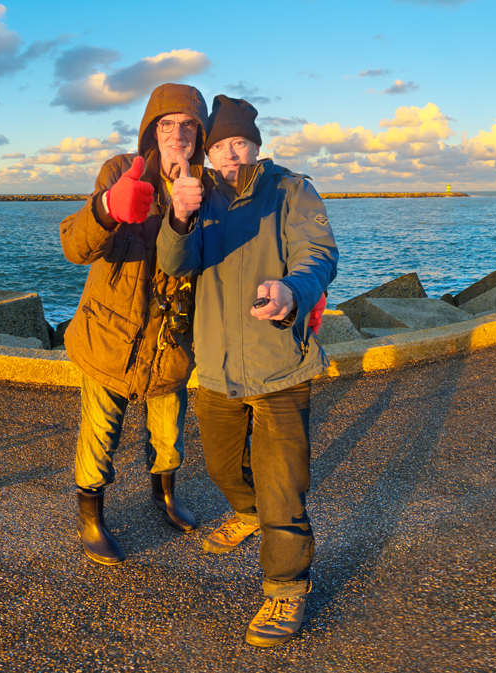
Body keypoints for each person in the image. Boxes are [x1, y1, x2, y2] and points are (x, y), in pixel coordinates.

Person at [157, 95, 338, 646]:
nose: (232, 155)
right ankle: (246, 509)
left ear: (256, 145)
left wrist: (291, 289)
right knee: (220, 466)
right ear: (208, 154)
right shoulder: (200, 196)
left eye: (241, 143)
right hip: (214, 367)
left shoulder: (291, 189)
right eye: (221, 147)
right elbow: (173, 263)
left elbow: (320, 254)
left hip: (280, 364)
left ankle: (286, 588)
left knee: (284, 485)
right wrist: (180, 217)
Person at [59, 83, 209, 566]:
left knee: (169, 436)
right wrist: (105, 210)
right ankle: (91, 517)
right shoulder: (122, 169)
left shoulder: (210, 186)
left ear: (200, 134)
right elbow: (75, 248)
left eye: (188, 125)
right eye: (166, 124)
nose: (177, 134)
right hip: (110, 337)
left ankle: (164, 496)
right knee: (99, 436)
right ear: (151, 129)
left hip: (170, 340)